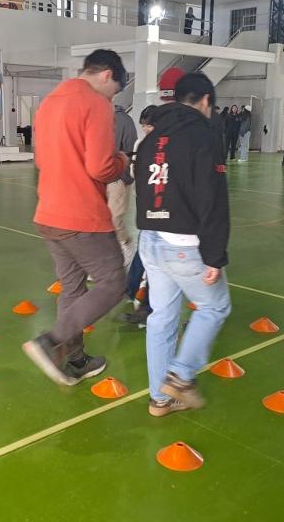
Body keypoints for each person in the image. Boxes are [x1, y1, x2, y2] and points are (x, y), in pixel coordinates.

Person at [22, 49, 130, 387]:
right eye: (115, 90)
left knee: (72, 289)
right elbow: (100, 166)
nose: (113, 97)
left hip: (49, 213)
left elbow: (40, 160)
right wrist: (124, 162)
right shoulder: (96, 103)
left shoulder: (50, 102)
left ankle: (76, 358)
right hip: (81, 215)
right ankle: (51, 341)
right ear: (107, 75)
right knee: (113, 283)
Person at [134, 72, 231, 417]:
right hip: (184, 243)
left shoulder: (151, 138)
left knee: (162, 317)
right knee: (214, 307)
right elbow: (212, 199)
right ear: (205, 101)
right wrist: (215, 256)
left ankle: (160, 399)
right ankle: (181, 376)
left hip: (150, 240)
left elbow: (143, 188)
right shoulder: (202, 135)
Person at [122, 104, 158, 329]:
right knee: (151, 256)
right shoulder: (147, 145)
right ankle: (145, 304)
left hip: (150, 205)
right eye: (144, 127)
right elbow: (135, 172)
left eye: (149, 126)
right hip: (151, 206)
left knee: (146, 250)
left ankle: (134, 291)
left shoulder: (144, 144)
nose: (146, 130)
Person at [108, 104, 138, 266]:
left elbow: (130, 150)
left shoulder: (124, 121)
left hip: (117, 180)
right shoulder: (95, 118)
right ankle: (101, 259)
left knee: (114, 218)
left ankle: (125, 244)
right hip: (98, 179)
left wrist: (124, 178)